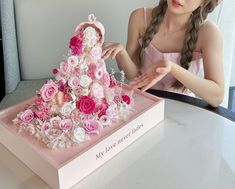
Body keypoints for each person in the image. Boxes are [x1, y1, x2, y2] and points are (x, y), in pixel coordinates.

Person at [102, 0, 224, 107]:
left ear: (204, 1)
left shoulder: (209, 32)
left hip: (182, 108)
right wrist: (122, 53)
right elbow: (132, 76)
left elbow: (217, 97)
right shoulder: (139, 17)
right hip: (143, 105)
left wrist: (172, 68)